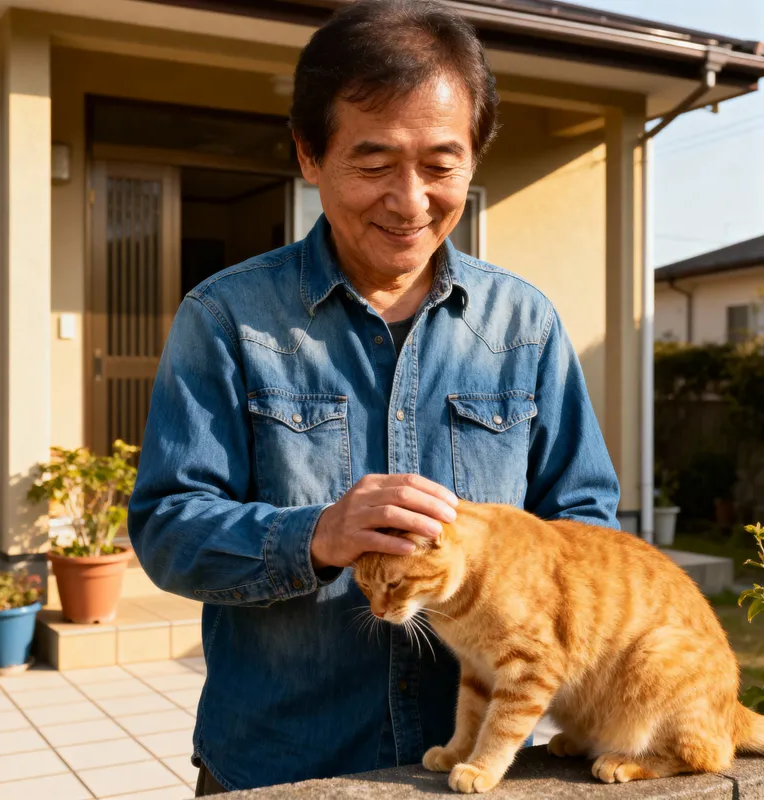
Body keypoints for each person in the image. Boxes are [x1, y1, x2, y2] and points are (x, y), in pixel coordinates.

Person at [128, 0, 620, 794]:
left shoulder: (523, 324)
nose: (411, 200)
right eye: (373, 162)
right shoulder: (226, 318)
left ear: (474, 159)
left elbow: (586, 529)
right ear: (309, 155)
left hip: (475, 764)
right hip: (279, 767)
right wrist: (315, 535)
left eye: (440, 164)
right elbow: (166, 527)